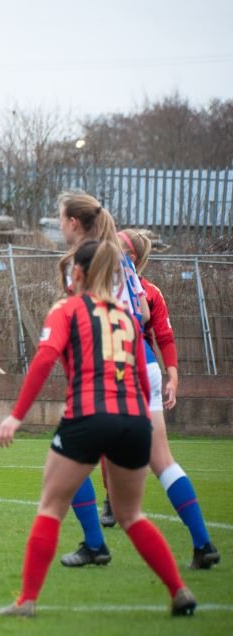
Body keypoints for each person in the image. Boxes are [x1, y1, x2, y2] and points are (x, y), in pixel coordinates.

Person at [0, 239, 195, 618]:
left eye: (72, 269)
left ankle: (27, 601)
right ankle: (179, 590)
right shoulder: (124, 315)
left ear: (80, 273)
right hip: (135, 420)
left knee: (51, 506)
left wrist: (16, 415)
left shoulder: (66, 309)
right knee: (132, 515)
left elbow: (43, 362)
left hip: (88, 415)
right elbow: (139, 375)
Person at [83, 230, 217, 570]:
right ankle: (203, 543)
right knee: (162, 461)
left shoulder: (103, 269)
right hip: (146, 365)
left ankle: (96, 542)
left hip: (123, 364)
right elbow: (141, 315)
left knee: (75, 451)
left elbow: (153, 325)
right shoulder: (130, 276)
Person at [52, 190, 152, 569]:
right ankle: (191, 561)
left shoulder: (79, 262)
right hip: (132, 367)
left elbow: (75, 318)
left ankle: (94, 544)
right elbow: (140, 314)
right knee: (149, 481)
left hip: (99, 374)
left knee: (68, 465)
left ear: (74, 223)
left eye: (61, 219)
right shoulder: (121, 259)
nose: (59, 225)